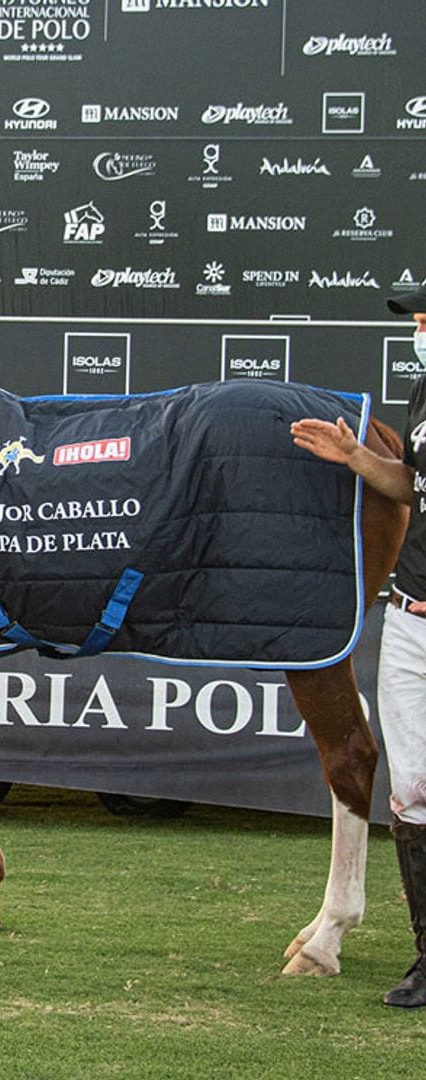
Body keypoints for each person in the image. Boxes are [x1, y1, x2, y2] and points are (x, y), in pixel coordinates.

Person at [291, 284, 426, 1009]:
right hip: (408, 616)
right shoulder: (423, 391)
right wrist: (353, 457)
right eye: (419, 319)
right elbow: (411, 486)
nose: (421, 328)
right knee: (412, 792)